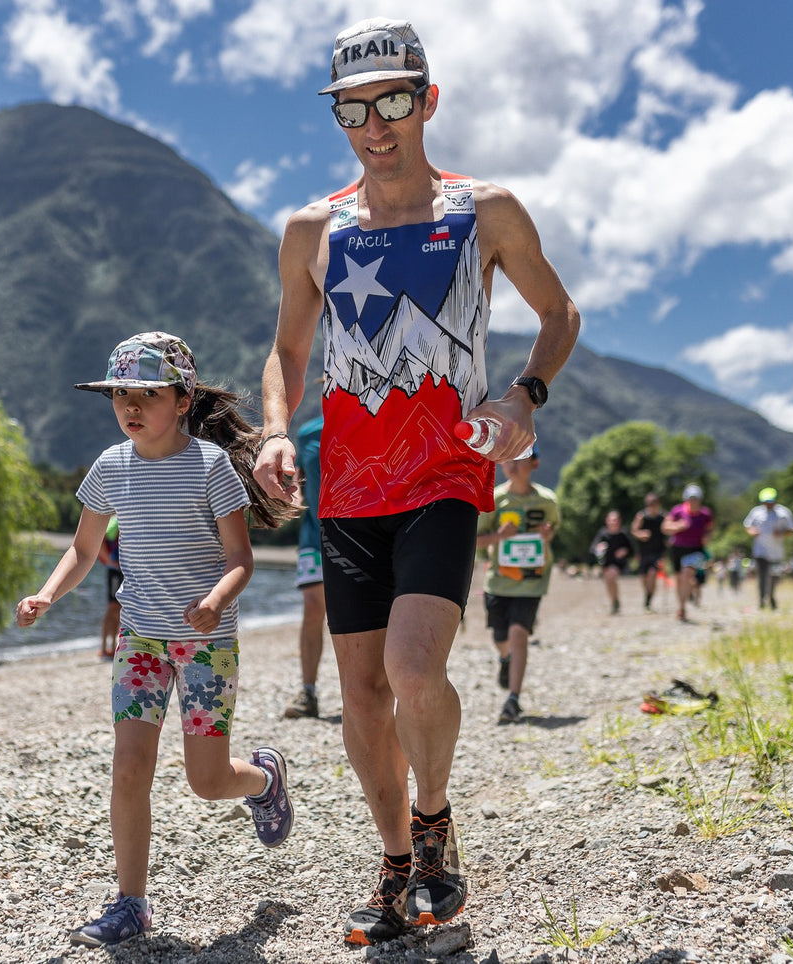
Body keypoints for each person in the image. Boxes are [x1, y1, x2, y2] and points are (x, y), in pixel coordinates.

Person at [252, 17, 580, 946]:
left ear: (426, 100)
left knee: (409, 669)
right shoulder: (313, 229)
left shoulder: (484, 210)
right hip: (347, 491)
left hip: (443, 476)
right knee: (359, 695)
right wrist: (276, 434)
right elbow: (285, 351)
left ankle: (433, 830)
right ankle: (397, 867)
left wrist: (522, 397)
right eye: (351, 109)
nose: (373, 125)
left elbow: (558, 314)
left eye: (392, 101)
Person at [16, 331, 297, 948]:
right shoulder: (110, 466)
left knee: (207, 781)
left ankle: (265, 780)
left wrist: (218, 599)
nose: (131, 406)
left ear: (183, 398)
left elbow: (241, 558)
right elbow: (83, 549)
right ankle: (131, 903)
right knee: (129, 768)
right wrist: (47, 594)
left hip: (206, 644)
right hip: (140, 639)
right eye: (121, 394)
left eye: (147, 392)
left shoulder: (212, 466)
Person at [476, 447, 560, 723]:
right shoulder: (495, 499)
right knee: (501, 638)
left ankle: (513, 699)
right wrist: (499, 536)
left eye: (519, 458)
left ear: (534, 463)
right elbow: (475, 541)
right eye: (507, 459)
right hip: (499, 582)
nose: (511, 464)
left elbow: (553, 531)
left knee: (518, 633)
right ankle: (504, 659)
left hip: (532, 581)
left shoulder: (547, 501)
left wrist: (546, 536)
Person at [284, 413, 327, 719]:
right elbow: (300, 478)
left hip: (360, 532)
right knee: (313, 607)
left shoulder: (367, 416)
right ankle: (308, 692)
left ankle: (367, 692)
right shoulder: (309, 432)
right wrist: (293, 499)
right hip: (314, 532)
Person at [662, 484, 713, 622]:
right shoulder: (677, 511)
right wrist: (678, 526)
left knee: (686, 575)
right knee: (679, 580)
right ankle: (682, 607)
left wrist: (708, 537)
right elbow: (665, 527)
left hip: (696, 550)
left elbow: (710, 529)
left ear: (700, 499)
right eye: (691, 498)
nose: (693, 501)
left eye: (696, 498)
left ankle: (684, 603)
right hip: (677, 549)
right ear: (686, 499)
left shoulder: (705, 514)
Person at [743, 487, 793, 610]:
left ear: (775, 501)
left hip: (776, 552)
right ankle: (762, 598)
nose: (768, 504)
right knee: (761, 576)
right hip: (760, 550)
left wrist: (782, 533)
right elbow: (748, 526)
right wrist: (752, 532)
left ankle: (771, 596)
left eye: (771, 502)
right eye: (766, 502)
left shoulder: (784, 513)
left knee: (774, 575)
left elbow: (792, 529)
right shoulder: (756, 512)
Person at [589, 510, 634, 615]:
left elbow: (632, 550)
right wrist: (598, 548)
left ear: (619, 521)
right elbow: (592, 549)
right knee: (609, 582)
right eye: (611, 520)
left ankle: (615, 602)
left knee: (611, 576)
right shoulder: (603, 533)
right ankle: (614, 601)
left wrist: (625, 551)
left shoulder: (623, 534)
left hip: (619, 564)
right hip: (606, 563)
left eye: (615, 520)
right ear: (607, 521)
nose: (613, 523)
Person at [630, 493, 668, 612]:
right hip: (644, 552)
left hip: (658, 552)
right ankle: (648, 594)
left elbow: (668, 531)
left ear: (658, 504)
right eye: (649, 504)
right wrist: (641, 534)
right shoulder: (641, 516)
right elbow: (634, 530)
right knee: (644, 577)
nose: (651, 506)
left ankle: (649, 599)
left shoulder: (663, 517)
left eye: (653, 504)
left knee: (652, 574)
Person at [97, 517, 122, 660]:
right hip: (114, 570)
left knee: (117, 608)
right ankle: (104, 647)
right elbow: (101, 538)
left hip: (119, 569)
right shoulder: (116, 521)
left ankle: (112, 647)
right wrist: (110, 561)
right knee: (112, 607)